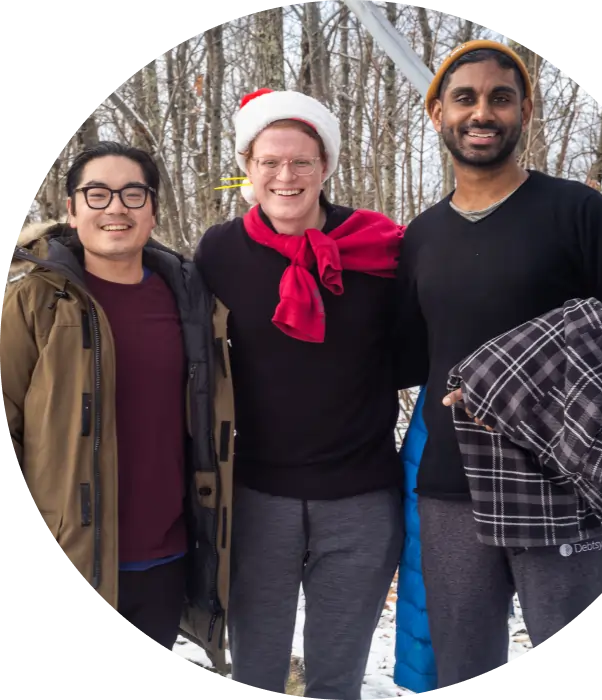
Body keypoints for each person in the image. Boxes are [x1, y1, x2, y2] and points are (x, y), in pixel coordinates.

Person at [394, 39, 602, 690]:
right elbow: (406, 358)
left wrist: (520, 387)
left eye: (501, 98)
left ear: (525, 112)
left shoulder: (577, 212)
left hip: (562, 481)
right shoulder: (421, 236)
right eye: (464, 98)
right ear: (436, 112)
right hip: (450, 491)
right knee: (463, 669)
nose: (482, 112)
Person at [193, 88, 407, 697]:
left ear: (325, 167)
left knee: (337, 677)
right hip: (257, 498)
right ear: (248, 168)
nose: (285, 176)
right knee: (257, 671)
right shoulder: (220, 252)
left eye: (301, 161)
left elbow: (423, 343)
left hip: (361, 498)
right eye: (269, 161)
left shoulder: (380, 248)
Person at [1, 142, 235, 670]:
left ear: (152, 208)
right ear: (71, 209)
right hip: (74, 553)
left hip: (164, 560)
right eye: (97, 193)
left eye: (133, 193)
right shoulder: (35, 301)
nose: (116, 208)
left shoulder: (189, 299)